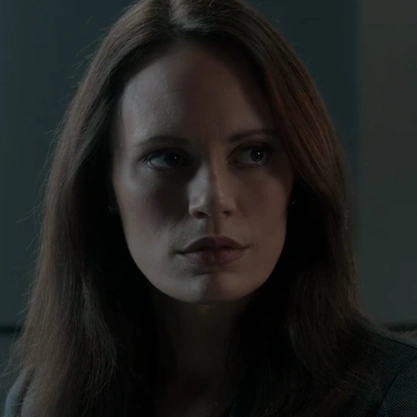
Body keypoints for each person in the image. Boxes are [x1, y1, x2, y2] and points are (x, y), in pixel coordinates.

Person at [2, 0, 417, 416]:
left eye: (254, 153)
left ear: (300, 175)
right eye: (169, 158)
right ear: (104, 184)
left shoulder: (396, 395)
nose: (213, 199)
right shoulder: (42, 401)